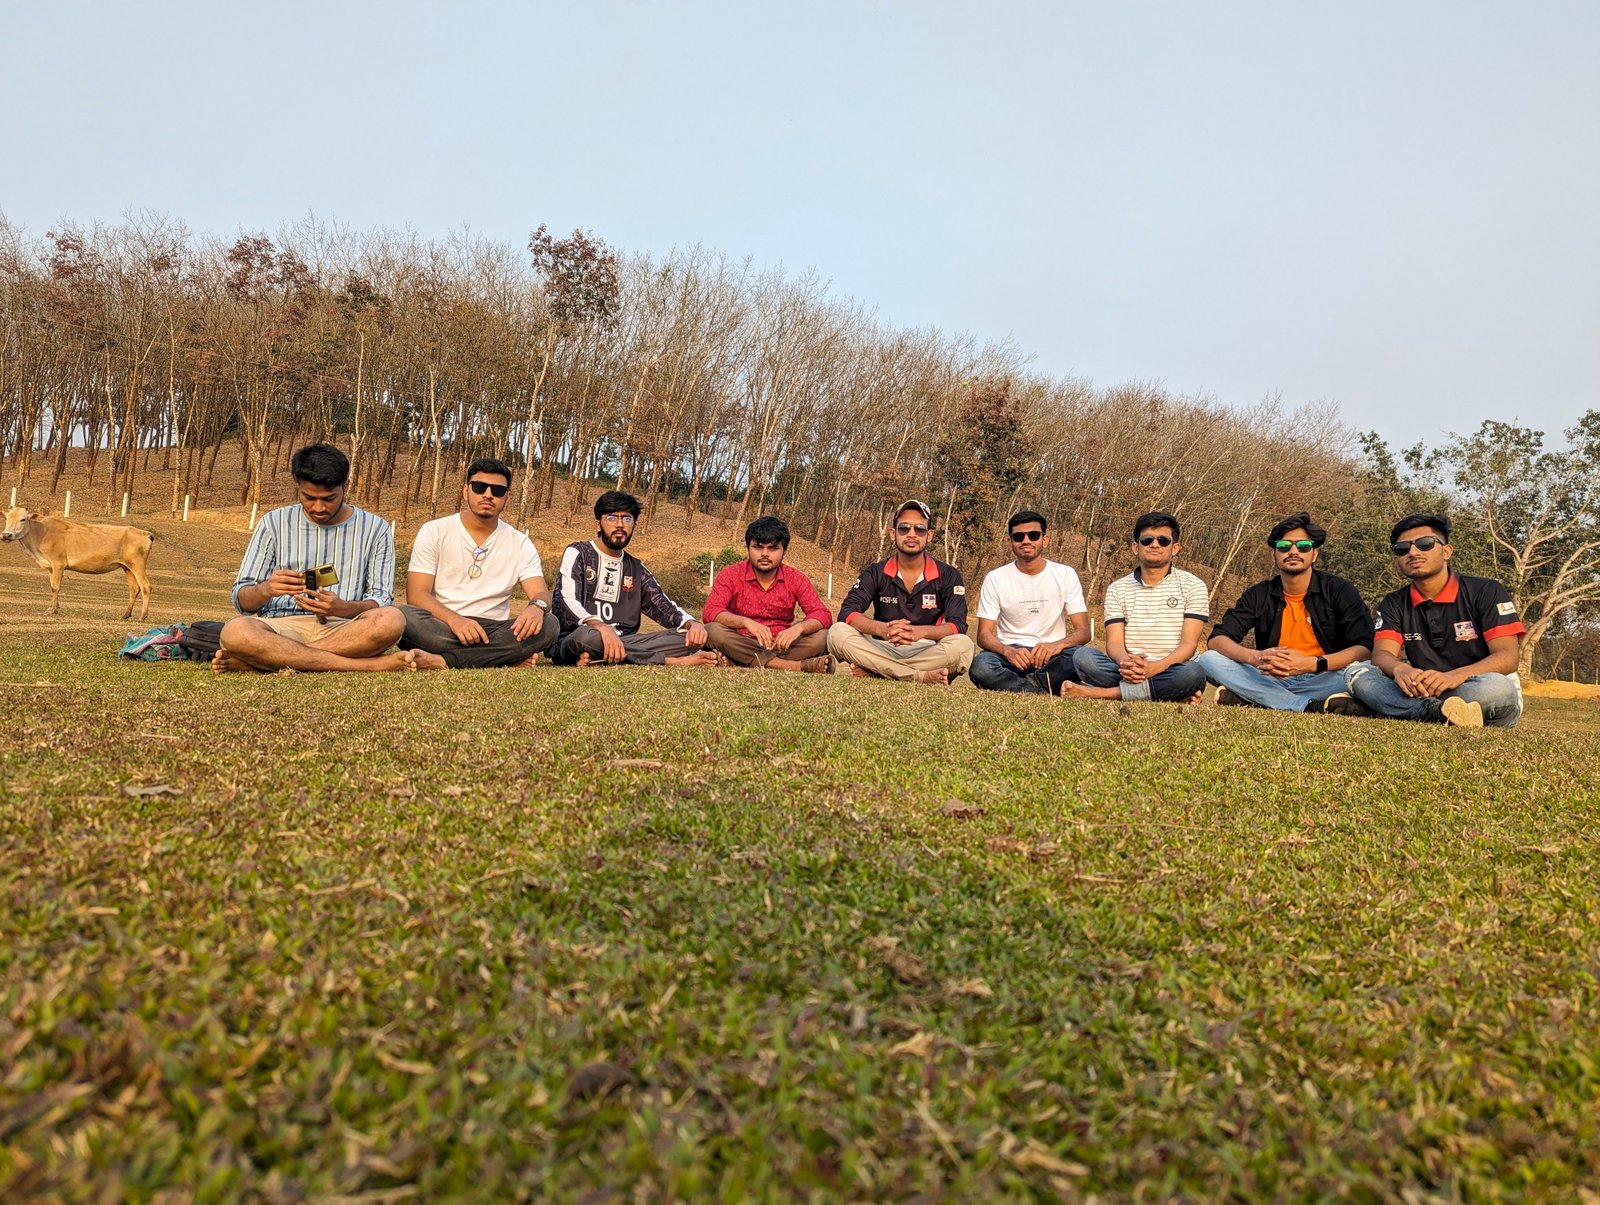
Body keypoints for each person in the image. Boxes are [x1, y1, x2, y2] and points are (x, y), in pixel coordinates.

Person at [217, 442, 418, 672]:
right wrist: (266, 589)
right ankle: (365, 666)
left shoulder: (375, 528)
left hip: (346, 629)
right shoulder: (273, 523)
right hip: (280, 627)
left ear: (346, 486)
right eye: (309, 497)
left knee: (391, 620)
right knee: (235, 631)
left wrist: (341, 608)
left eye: (329, 498)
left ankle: (271, 661)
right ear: (297, 487)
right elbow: (241, 601)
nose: (319, 507)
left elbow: (381, 600)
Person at [1343, 512, 1525, 728]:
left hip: (1472, 687)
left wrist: (1453, 677)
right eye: (1403, 548)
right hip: (1426, 692)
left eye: (1425, 544)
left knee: (1497, 688)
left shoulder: (1486, 591)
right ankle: (1434, 713)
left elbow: (1508, 657)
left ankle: (1400, 709)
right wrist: (1401, 670)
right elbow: (1382, 654)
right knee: (1357, 672)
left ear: (1447, 551)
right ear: (1397, 560)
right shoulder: (1394, 602)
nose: (1413, 552)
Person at [1197, 511, 1373, 713]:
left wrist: (1311, 664)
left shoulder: (1340, 590)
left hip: (1325, 676)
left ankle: (1256, 699)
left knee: (1368, 670)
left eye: (1303, 546)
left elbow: (1365, 648)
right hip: (1270, 677)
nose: (1294, 551)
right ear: (1274, 555)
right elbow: (1217, 640)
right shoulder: (1258, 594)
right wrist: (1256, 657)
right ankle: (1306, 706)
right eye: (1284, 546)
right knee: (1208, 660)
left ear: (1314, 554)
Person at [398, 459, 559, 670]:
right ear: (466, 491)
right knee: (404, 617)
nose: (488, 495)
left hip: (494, 630)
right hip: (443, 625)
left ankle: (444, 661)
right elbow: (417, 595)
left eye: (498, 490)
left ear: (507, 497)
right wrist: (455, 620)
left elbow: (541, 593)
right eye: (479, 487)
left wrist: (536, 608)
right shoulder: (434, 531)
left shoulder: (519, 542)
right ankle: (502, 658)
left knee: (549, 625)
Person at [550, 490, 718, 667]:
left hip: (627, 640)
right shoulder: (578, 553)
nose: (620, 524)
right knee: (588, 638)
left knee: (690, 638)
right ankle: (670, 661)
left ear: (634, 526)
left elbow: (662, 604)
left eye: (627, 518)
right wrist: (601, 626)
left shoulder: (636, 568)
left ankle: (601, 657)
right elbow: (566, 600)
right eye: (612, 518)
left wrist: (691, 623)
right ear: (598, 524)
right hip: (580, 636)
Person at [826, 500, 974, 685]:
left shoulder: (948, 574)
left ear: (929, 535)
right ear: (892, 533)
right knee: (837, 633)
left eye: (919, 529)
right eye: (904, 528)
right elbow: (847, 613)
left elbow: (958, 625)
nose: (911, 535)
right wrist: (883, 629)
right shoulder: (875, 572)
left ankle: (877, 671)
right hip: (883, 646)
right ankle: (918, 677)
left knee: (963, 646)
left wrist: (919, 632)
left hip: (927, 650)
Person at [1066, 511, 1208, 702]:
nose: (1155, 545)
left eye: (1163, 541)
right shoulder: (1118, 588)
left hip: (1173, 667)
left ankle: (1101, 693)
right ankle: (1169, 694)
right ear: (1136, 547)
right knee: (1082, 657)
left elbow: (1189, 645)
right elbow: (1114, 642)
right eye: (1147, 540)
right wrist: (1126, 663)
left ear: (1175, 548)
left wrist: (1154, 668)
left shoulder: (1193, 585)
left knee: (1193, 673)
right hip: (1128, 670)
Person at [970, 510, 1090, 694]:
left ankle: (1022, 685)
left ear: (1045, 539)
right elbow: (983, 635)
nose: (1026, 541)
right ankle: (1040, 689)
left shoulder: (1065, 574)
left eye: (1033, 535)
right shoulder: (996, 578)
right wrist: (1008, 651)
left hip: (1053, 655)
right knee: (981, 666)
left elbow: (1083, 631)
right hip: (1011, 656)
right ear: (1009, 542)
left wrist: (1057, 645)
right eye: (1018, 537)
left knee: (1082, 659)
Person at [702, 515, 833, 672]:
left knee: (824, 637)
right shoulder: (731, 574)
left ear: (784, 551)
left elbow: (822, 614)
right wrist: (745, 622)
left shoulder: (796, 578)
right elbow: (711, 611)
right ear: (748, 548)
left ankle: (740, 661)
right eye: (758, 547)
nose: (764, 554)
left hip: (782, 645)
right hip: (741, 640)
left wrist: (798, 628)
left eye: (772, 548)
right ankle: (794, 666)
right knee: (712, 631)